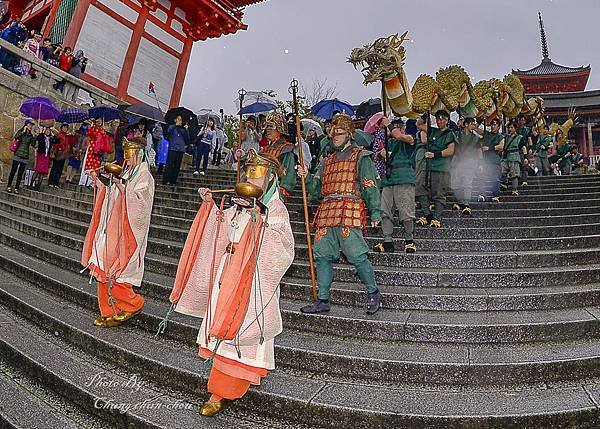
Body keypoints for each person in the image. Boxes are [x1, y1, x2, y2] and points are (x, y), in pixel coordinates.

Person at [167, 149, 294, 416]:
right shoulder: (239, 203)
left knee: (241, 329)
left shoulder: (277, 210)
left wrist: (262, 221)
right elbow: (225, 233)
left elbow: (284, 251)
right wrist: (213, 208)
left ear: (270, 179)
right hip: (228, 271)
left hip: (254, 279)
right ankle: (222, 384)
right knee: (223, 324)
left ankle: (223, 391)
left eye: (257, 174)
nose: (250, 178)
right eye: (248, 172)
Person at [298, 114, 383, 315]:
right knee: (322, 256)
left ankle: (373, 293)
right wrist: (306, 176)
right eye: (332, 134)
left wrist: (375, 212)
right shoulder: (326, 161)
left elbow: (369, 185)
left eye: (339, 133)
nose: (334, 137)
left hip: (350, 209)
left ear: (349, 135)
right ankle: (323, 299)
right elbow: (317, 189)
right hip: (327, 211)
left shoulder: (361, 156)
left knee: (357, 255)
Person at [82, 138, 154, 327]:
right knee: (102, 266)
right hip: (112, 226)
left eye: (130, 153)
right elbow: (112, 193)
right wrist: (98, 182)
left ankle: (132, 304)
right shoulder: (127, 172)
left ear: (138, 153)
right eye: (126, 152)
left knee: (119, 271)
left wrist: (125, 190)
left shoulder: (145, 175)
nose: (126, 157)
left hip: (127, 230)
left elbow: (141, 203)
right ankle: (108, 310)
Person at [373, 118, 417, 254]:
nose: (394, 130)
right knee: (385, 211)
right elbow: (377, 157)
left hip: (404, 178)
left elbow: (400, 136)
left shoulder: (409, 139)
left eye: (398, 127)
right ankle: (387, 239)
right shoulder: (389, 143)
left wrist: (389, 125)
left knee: (406, 211)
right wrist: (381, 154)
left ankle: (409, 239)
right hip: (388, 179)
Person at [415, 110, 456, 228]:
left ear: (447, 120)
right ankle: (427, 214)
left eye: (442, 119)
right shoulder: (433, 130)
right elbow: (418, 124)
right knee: (420, 186)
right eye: (437, 119)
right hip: (429, 166)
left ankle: (437, 217)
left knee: (439, 192)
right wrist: (426, 113)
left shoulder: (449, 133)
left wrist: (435, 154)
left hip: (441, 166)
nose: (439, 121)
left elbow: (450, 150)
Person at [260, 112, 296, 202]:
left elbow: (288, 172)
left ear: (279, 129)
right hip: (260, 189)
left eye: (271, 126)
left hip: (274, 191)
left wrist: (283, 190)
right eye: (267, 127)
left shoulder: (286, 149)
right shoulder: (265, 150)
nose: (267, 130)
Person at [451, 117, 481, 215]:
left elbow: (478, 150)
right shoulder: (457, 134)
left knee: (467, 183)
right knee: (455, 183)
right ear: (466, 124)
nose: (473, 126)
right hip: (457, 161)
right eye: (472, 124)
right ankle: (460, 201)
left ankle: (466, 203)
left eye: (474, 124)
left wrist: (480, 163)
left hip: (469, 161)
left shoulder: (475, 137)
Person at [478, 118, 505, 203]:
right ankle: (482, 194)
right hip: (485, 160)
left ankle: (495, 195)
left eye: (495, 124)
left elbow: (501, 146)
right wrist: (480, 120)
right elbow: (477, 130)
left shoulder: (500, 136)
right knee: (481, 177)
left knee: (495, 178)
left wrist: (490, 148)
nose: (493, 126)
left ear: (498, 126)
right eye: (492, 124)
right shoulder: (487, 134)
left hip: (494, 160)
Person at [6, 119, 35, 194]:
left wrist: (36, 136)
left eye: (31, 125)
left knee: (20, 173)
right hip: (17, 154)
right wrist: (23, 132)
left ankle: (16, 188)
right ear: (26, 125)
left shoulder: (30, 135)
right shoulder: (21, 132)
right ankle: (9, 186)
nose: (30, 127)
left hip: (25, 156)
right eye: (29, 125)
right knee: (13, 171)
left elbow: (33, 144)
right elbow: (16, 137)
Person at [163, 115, 189, 185]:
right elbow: (168, 131)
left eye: (181, 120)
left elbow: (187, 139)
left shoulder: (182, 130)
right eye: (178, 119)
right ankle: (166, 180)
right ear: (175, 120)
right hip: (173, 148)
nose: (180, 121)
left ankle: (173, 180)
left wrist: (186, 130)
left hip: (180, 149)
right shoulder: (172, 127)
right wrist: (175, 125)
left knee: (177, 166)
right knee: (169, 165)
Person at [500, 120, 523, 196]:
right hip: (506, 156)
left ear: (515, 128)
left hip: (514, 156)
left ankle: (514, 189)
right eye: (509, 127)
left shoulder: (519, 137)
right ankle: (504, 182)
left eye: (512, 127)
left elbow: (523, 147)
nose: (510, 129)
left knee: (514, 174)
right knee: (502, 171)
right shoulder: (506, 136)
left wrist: (525, 157)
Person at [32, 125, 56, 190]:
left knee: (42, 172)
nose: (48, 131)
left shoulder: (51, 139)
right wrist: (39, 132)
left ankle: (38, 186)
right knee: (37, 170)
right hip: (41, 155)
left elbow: (57, 141)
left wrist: (53, 135)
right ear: (44, 130)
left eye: (49, 130)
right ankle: (31, 184)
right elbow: (37, 139)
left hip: (46, 156)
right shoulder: (41, 136)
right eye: (47, 130)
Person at [48, 123, 70, 188]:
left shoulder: (66, 137)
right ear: (61, 128)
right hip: (58, 154)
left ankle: (56, 182)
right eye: (64, 127)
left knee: (60, 169)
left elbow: (67, 146)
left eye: (66, 128)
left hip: (63, 155)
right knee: (55, 168)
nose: (65, 129)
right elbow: (55, 144)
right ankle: (51, 181)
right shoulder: (58, 135)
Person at [516, 115, 532, 186]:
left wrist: (530, 147)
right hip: (516, 148)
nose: (522, 121)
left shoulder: (527, 129)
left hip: (524, 147)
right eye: (520, 120)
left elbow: (529, 139)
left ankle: (524, 180)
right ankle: (519, 178)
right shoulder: (516, 129)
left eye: (523, 120)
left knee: (524, 164)